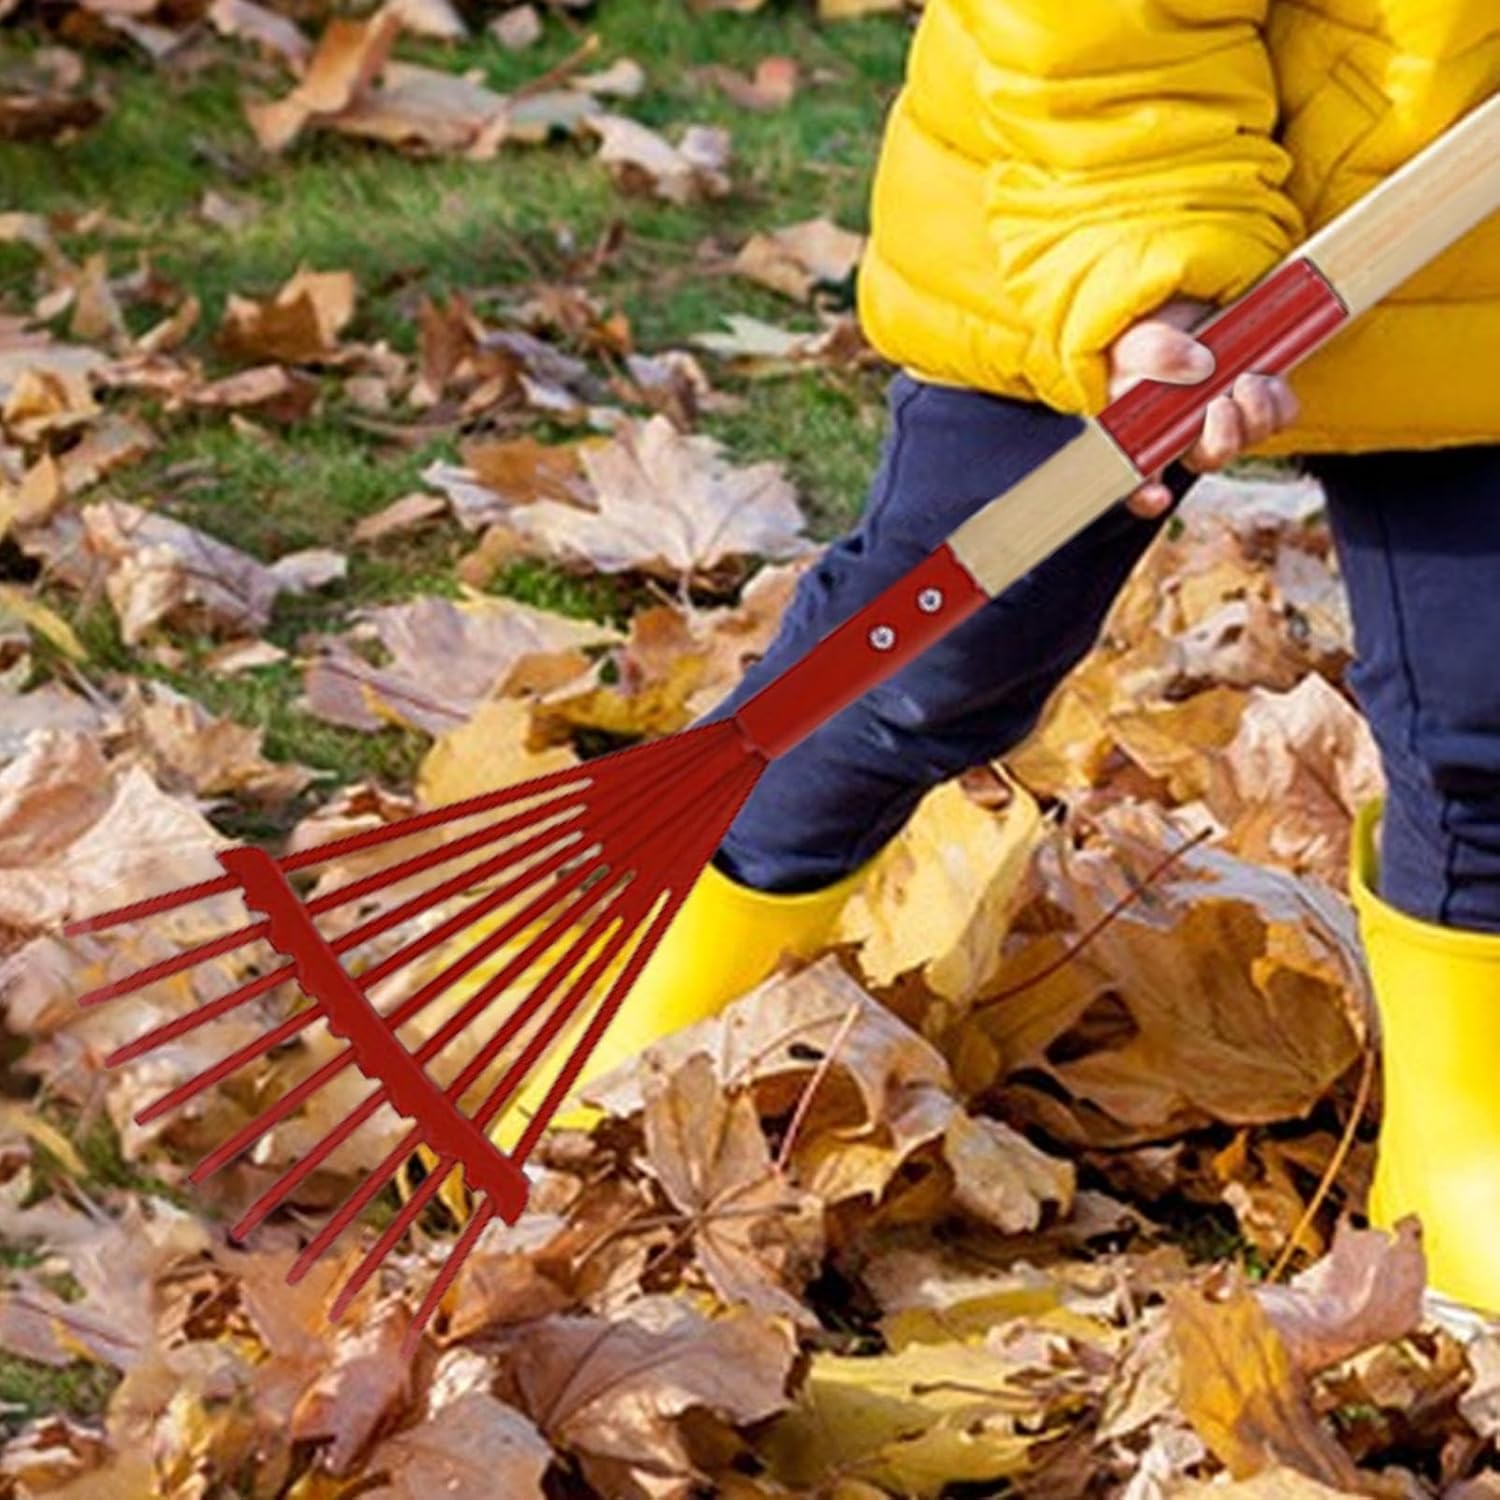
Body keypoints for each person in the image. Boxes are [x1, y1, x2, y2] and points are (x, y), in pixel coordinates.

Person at [476, 3, 1500, 1313]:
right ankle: (644, 989)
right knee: (937, 651)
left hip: (1469, 268)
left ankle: (1465, 1154)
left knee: (1486, 715)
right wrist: (1149, 267)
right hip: (1088, 196)